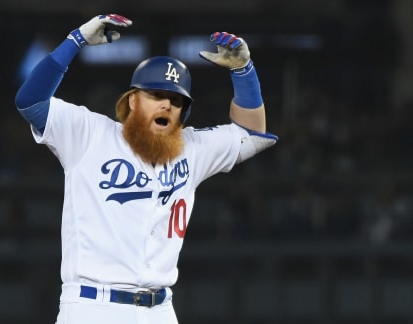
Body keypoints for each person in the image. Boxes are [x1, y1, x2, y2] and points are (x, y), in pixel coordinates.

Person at [15, 13, 278, 324]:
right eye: (156, 95)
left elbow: (251, 134)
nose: (166, 104)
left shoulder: (191, 149)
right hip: (92, 306)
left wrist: (243, 71)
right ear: (133, 101)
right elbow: (30, 101)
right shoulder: (90, 134)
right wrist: (76, 41)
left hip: (160, 310)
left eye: (176, 100)